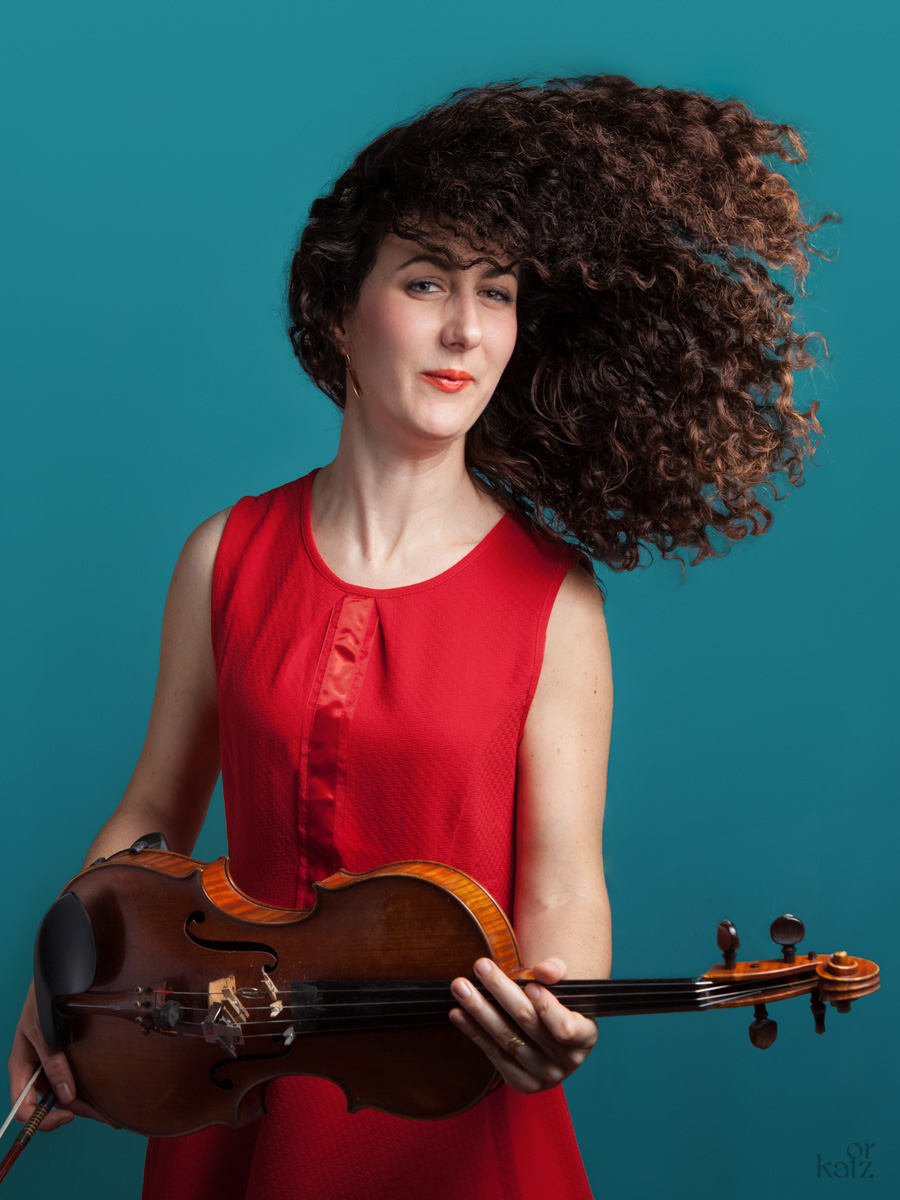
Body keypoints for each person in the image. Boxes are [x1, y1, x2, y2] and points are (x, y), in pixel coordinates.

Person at [7, 73, 832, 1199]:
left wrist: (555, 1009)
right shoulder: (223, 555)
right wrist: (63, 979)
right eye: (427, 280)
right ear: (339, 309)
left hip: (447, 1110)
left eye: (497, 292)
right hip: (230, 1080)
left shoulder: (555, 600)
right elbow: (152, 812)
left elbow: (563, 881)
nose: (464, 329)